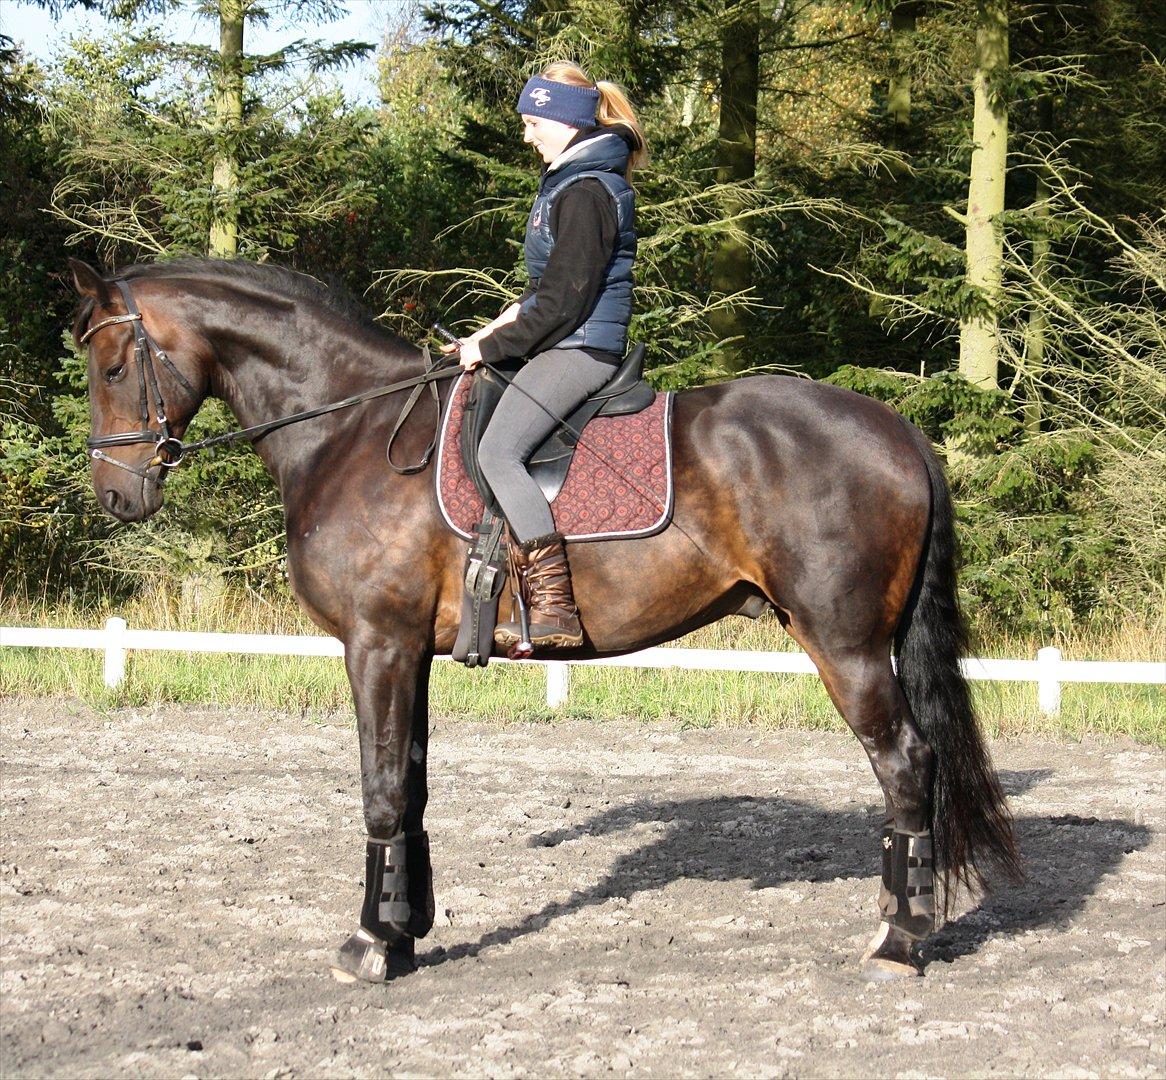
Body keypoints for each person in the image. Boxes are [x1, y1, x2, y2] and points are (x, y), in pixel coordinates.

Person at [442, 61, 646, 650]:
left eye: (534, 122)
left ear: (566, 121)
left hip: (581, 349)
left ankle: (554, 606)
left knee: (499, 451)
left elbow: (563, 304)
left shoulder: (586, 192)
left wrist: (494, 346)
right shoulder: (568, 182)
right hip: (563, 336)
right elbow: (540, 291)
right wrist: (481, 336)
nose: (527, 135)